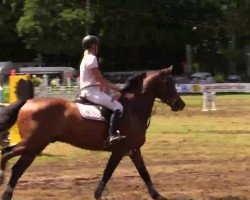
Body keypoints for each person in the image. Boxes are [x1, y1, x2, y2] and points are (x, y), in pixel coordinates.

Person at [79, 35, 125, 145]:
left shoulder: (85, 59)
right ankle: (112, 135)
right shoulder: (92, 58)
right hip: (91, 91)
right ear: (94, 46)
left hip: (91, 89)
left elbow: (97, 79)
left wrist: (109, 88)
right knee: (118, 107)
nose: (98, 48)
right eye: (97, 45)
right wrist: (115, 87)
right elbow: (98, 78)